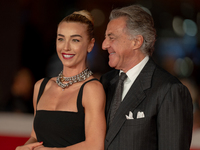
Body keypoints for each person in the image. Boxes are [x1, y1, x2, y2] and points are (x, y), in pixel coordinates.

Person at [100, 5, 193, 150]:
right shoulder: (105, 82)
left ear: (136, 42)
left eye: (111, 38)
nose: (104, 45)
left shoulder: (169, 90)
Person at [16, 10, 106, 150]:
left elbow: (95, 145)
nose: (66, 47)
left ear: (90, 44)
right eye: (61, 38)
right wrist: (25, 147)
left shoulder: (92, 89)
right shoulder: (41, 86)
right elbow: (35, 136)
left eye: (75, 40)